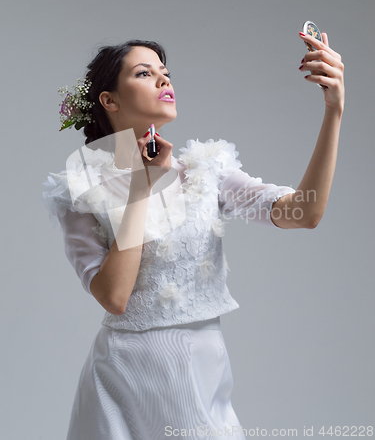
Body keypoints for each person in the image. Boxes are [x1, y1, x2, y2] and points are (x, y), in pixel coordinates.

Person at [42, 36, 344, 439]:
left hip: (201, 367)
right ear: (109, 101)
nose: (163, 80)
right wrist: (142, 187)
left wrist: (333, 110)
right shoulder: (79, 190)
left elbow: (304, 213)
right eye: (144, 73)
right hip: (123, 374)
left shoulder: (206, 171)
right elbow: (114, 296)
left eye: (165, 73)